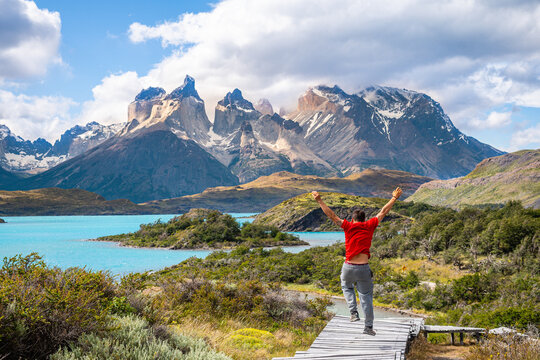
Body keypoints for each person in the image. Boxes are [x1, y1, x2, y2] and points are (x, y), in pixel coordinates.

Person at [311, 187, 403, 336]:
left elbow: (332, 215)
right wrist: (394, 198)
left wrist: (319, 200)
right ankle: (368, 328)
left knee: (346, 286)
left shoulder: (348, 226)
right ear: (364, 219)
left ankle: (353, 313)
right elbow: (383, 212)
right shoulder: (370, 225)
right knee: (366, 298)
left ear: (353, 219)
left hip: (348, 267)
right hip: (364, 269)